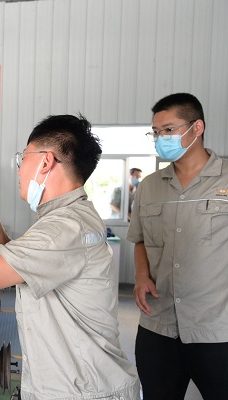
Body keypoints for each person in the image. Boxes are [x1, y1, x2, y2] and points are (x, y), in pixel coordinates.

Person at [0, 114, 140, 399]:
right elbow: (23, 262)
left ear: (45, 161)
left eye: (23, 158)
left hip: (79, 392)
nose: (19, 170)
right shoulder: (71, 217)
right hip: (78, 384)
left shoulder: (63, 227)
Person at [127, 93, 228, 399]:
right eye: (156, 132)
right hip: (158, 327)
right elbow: (140, 239)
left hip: (216, 328)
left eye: (168, 130)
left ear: (197, 128)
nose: (161, 138)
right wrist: (141, 276)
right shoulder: (150, 186)